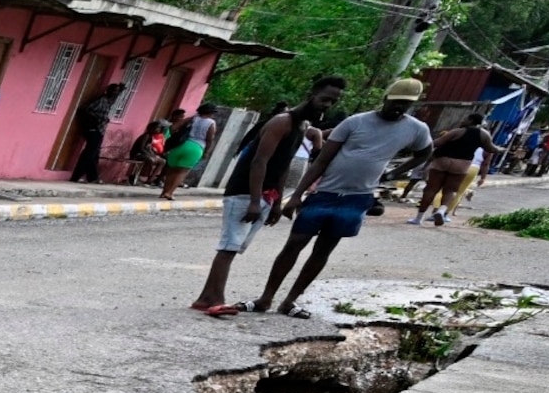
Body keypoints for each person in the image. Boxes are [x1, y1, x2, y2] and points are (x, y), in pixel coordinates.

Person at [254, 77, 439, 316]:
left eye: (405, 104)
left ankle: (290, 301)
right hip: (325, 193)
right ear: (386, 99)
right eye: (395, 102)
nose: (398, 107)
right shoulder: (356, 122)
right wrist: (297, 195)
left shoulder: (416, 129)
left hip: (357, 198)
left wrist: (393, 173)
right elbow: (322, 160)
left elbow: (425, 152)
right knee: (295, 243)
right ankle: (266, 297)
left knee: (323, 250)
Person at [191, 79, 343, 315]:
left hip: (267, 194)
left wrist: (276, 202)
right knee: (229, 246)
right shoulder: (282, 122)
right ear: (312, 93)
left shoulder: (302, 126)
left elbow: (282, 166)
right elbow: (259, 161)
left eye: (333, 101)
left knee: (235, 246)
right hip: (245, 191)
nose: (328, 105)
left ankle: (206, 298)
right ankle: (215, 299)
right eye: (325, 99)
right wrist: (254, 199)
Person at [415, 111, 490, 226]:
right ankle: (441, 210)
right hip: (463, 164)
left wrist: (420, 144)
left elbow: (437, 143)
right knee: (451, 191)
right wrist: (500, 150)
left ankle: (419, 218)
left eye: (466, 118)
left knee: (431, 189)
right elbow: (492, 149)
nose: (463, 120)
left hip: (442, 162)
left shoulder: (456, 132)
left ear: (470, 120)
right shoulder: (484, 135)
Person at [67, 82, 120, 184]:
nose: (115, 93)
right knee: (89, 153)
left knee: (94, 153)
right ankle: (77, 176)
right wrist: (94, 120)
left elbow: (113, 100)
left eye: (116, 92)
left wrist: (120, 92)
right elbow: (86, 109)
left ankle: (93, 177)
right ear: (108, 91)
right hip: (93, 129)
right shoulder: (101, 101)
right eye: (114, 91)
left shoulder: (109, 102)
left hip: (100, 130)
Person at [158, 110, 208, 200]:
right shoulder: (211, 123)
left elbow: (172, 127)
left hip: (178, 145)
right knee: (182, 172)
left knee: (171, 170)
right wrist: (207, 151)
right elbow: (210, 138)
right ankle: (169, 193)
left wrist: (177, 135)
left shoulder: (191, 119)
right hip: (195, 148)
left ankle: (164, 192)